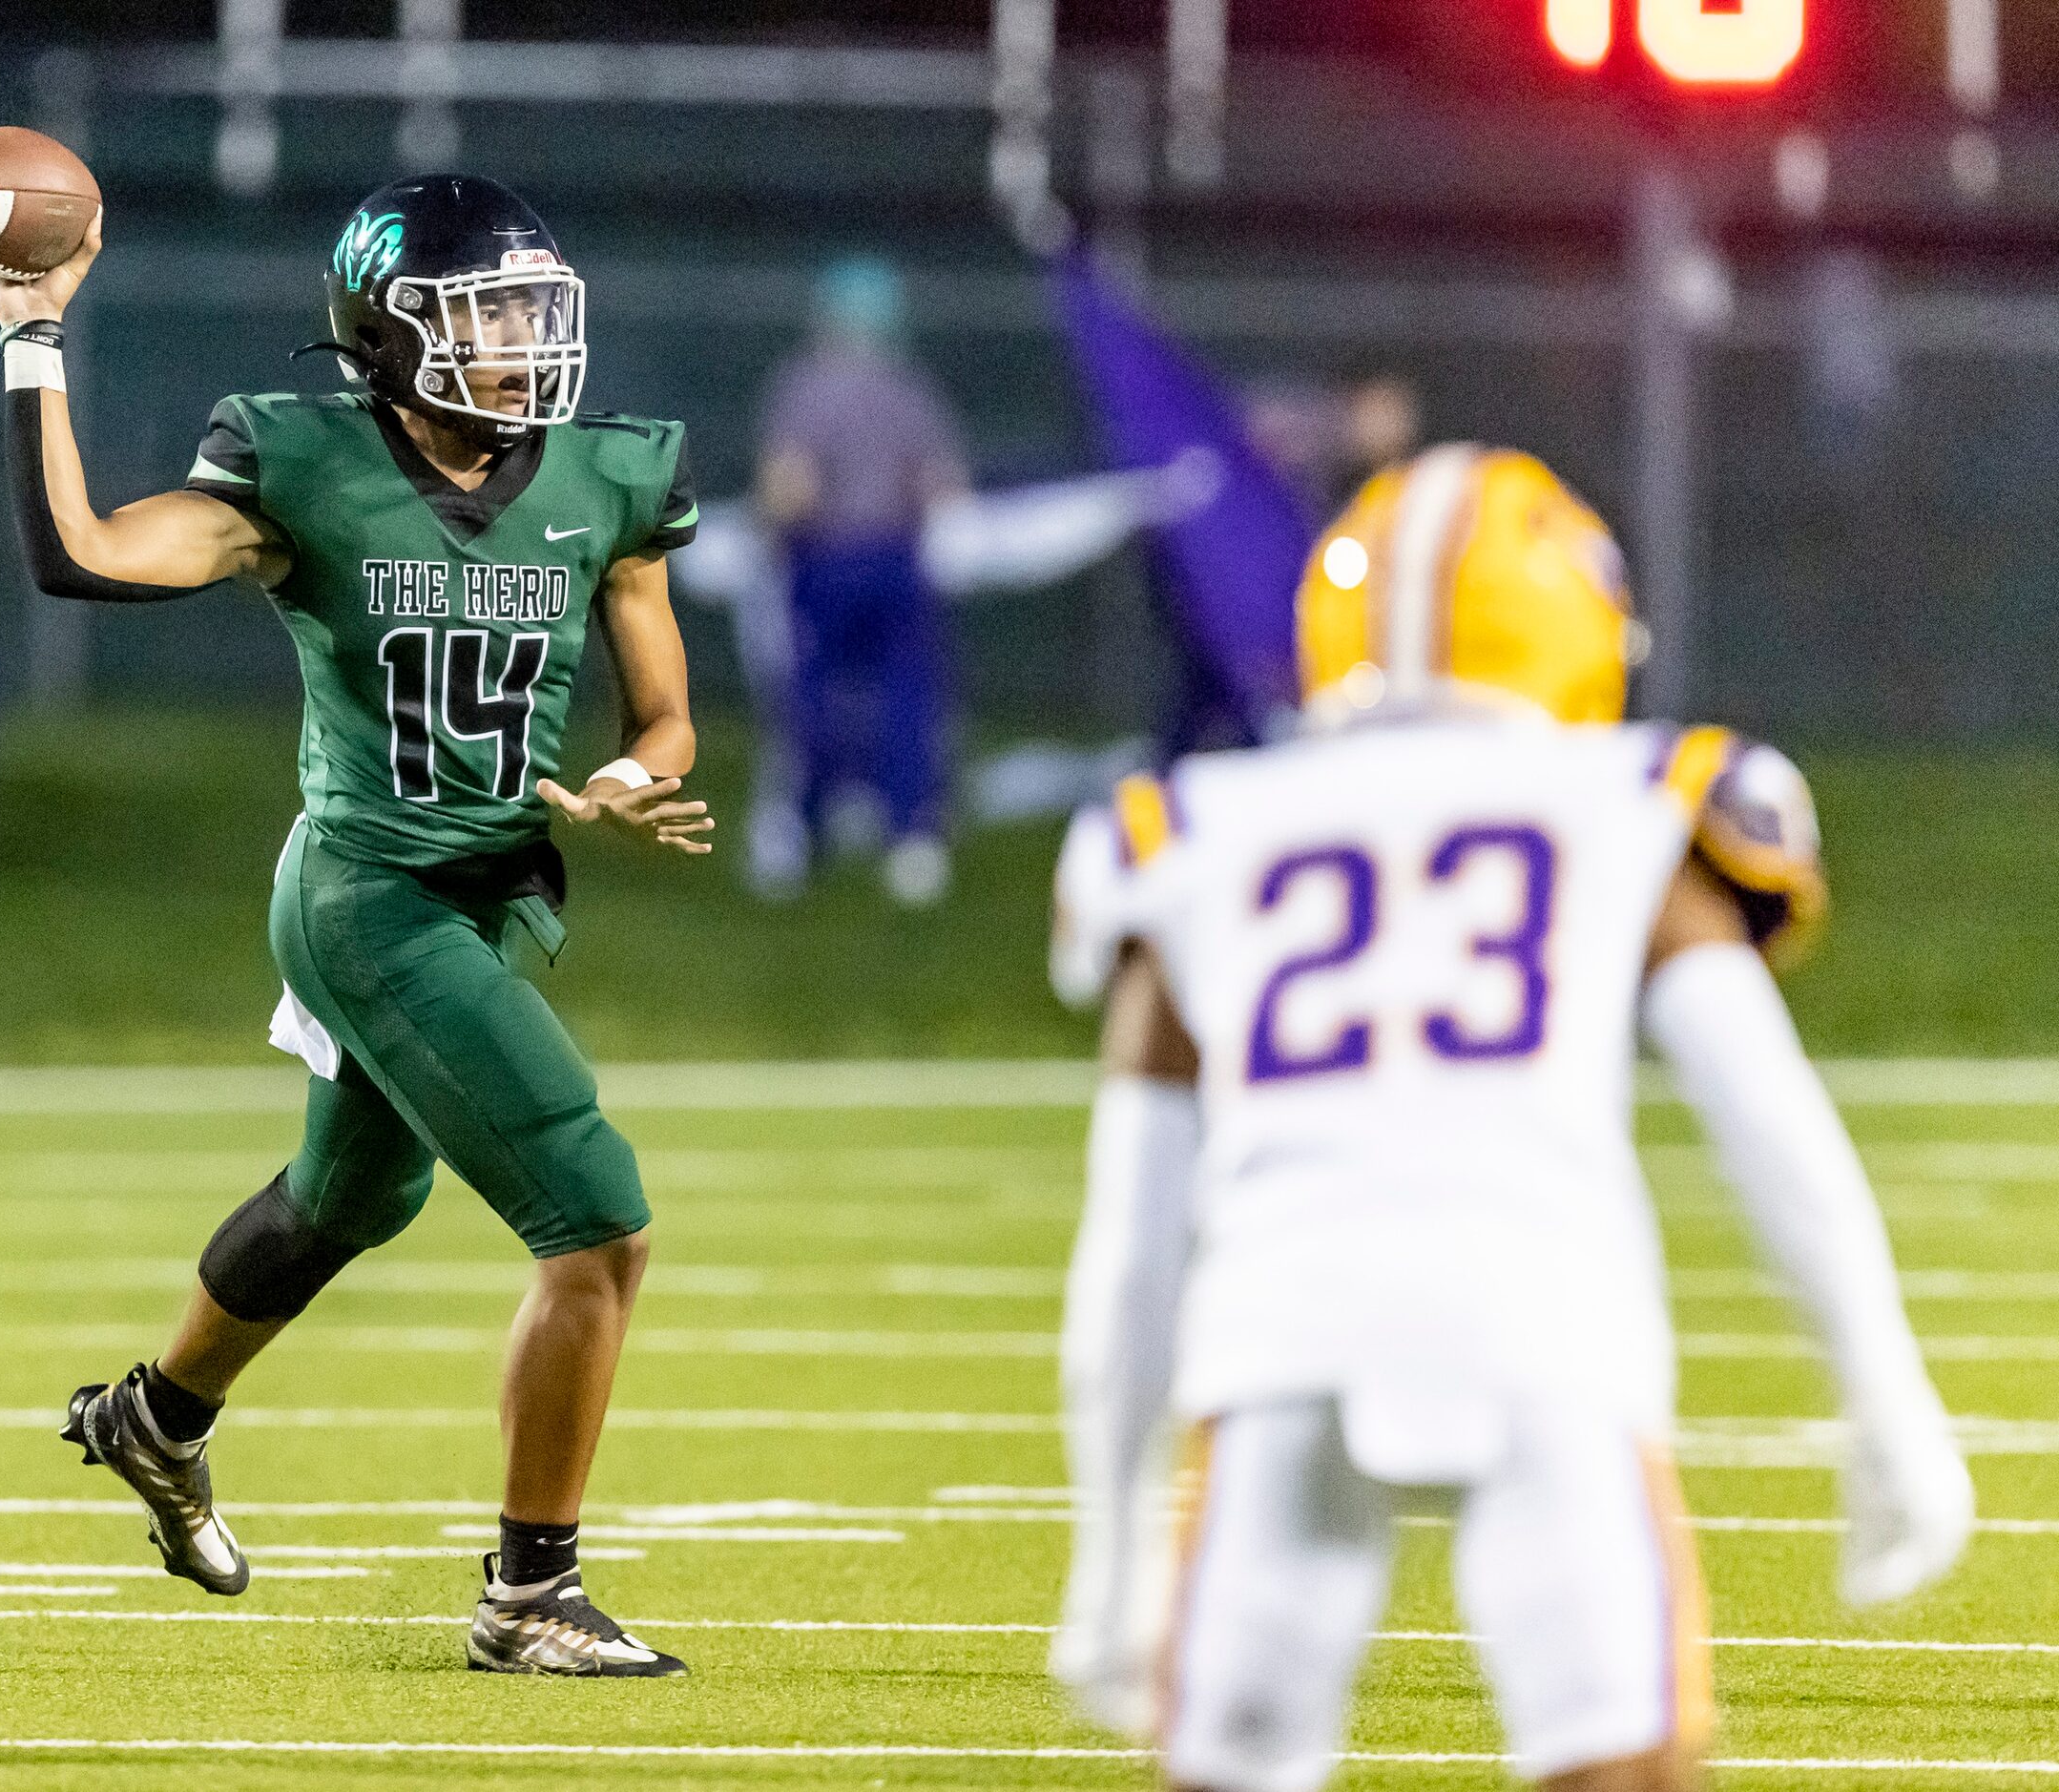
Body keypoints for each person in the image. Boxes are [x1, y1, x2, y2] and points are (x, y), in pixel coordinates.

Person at [1047, 446, 1975, 1791]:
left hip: (1278, 1338)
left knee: (1231, 1767)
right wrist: (1886, 1398)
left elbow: (1129, 1245)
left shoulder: (1187, 827)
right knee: (1620, 1763)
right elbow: (1776, 1130)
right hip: (1542, 1325)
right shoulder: (1629, 798)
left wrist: (1111, 1550)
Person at [0, 173, 709, 1677]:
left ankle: (154, 1415)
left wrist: (637, 775)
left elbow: (668, 714)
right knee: (600, 1225)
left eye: (528, 310)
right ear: (386, 331)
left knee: (351, 1199)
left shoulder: (606, 477)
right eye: (482, 313)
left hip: (497, 894)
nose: (517, 342)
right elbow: (89, 553)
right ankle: (529, 1596)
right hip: (368, 895)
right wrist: (34, 340)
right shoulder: (300, 460)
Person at [754, 254, 967, 906]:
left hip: (823, 563)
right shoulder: (909, 389)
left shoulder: (804, 388)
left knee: (812, 701)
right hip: (896, 559)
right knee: (906, 700)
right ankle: (912, 835)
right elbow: (940, 487)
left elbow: (789, 488)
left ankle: (807, 827)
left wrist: (770, 536)